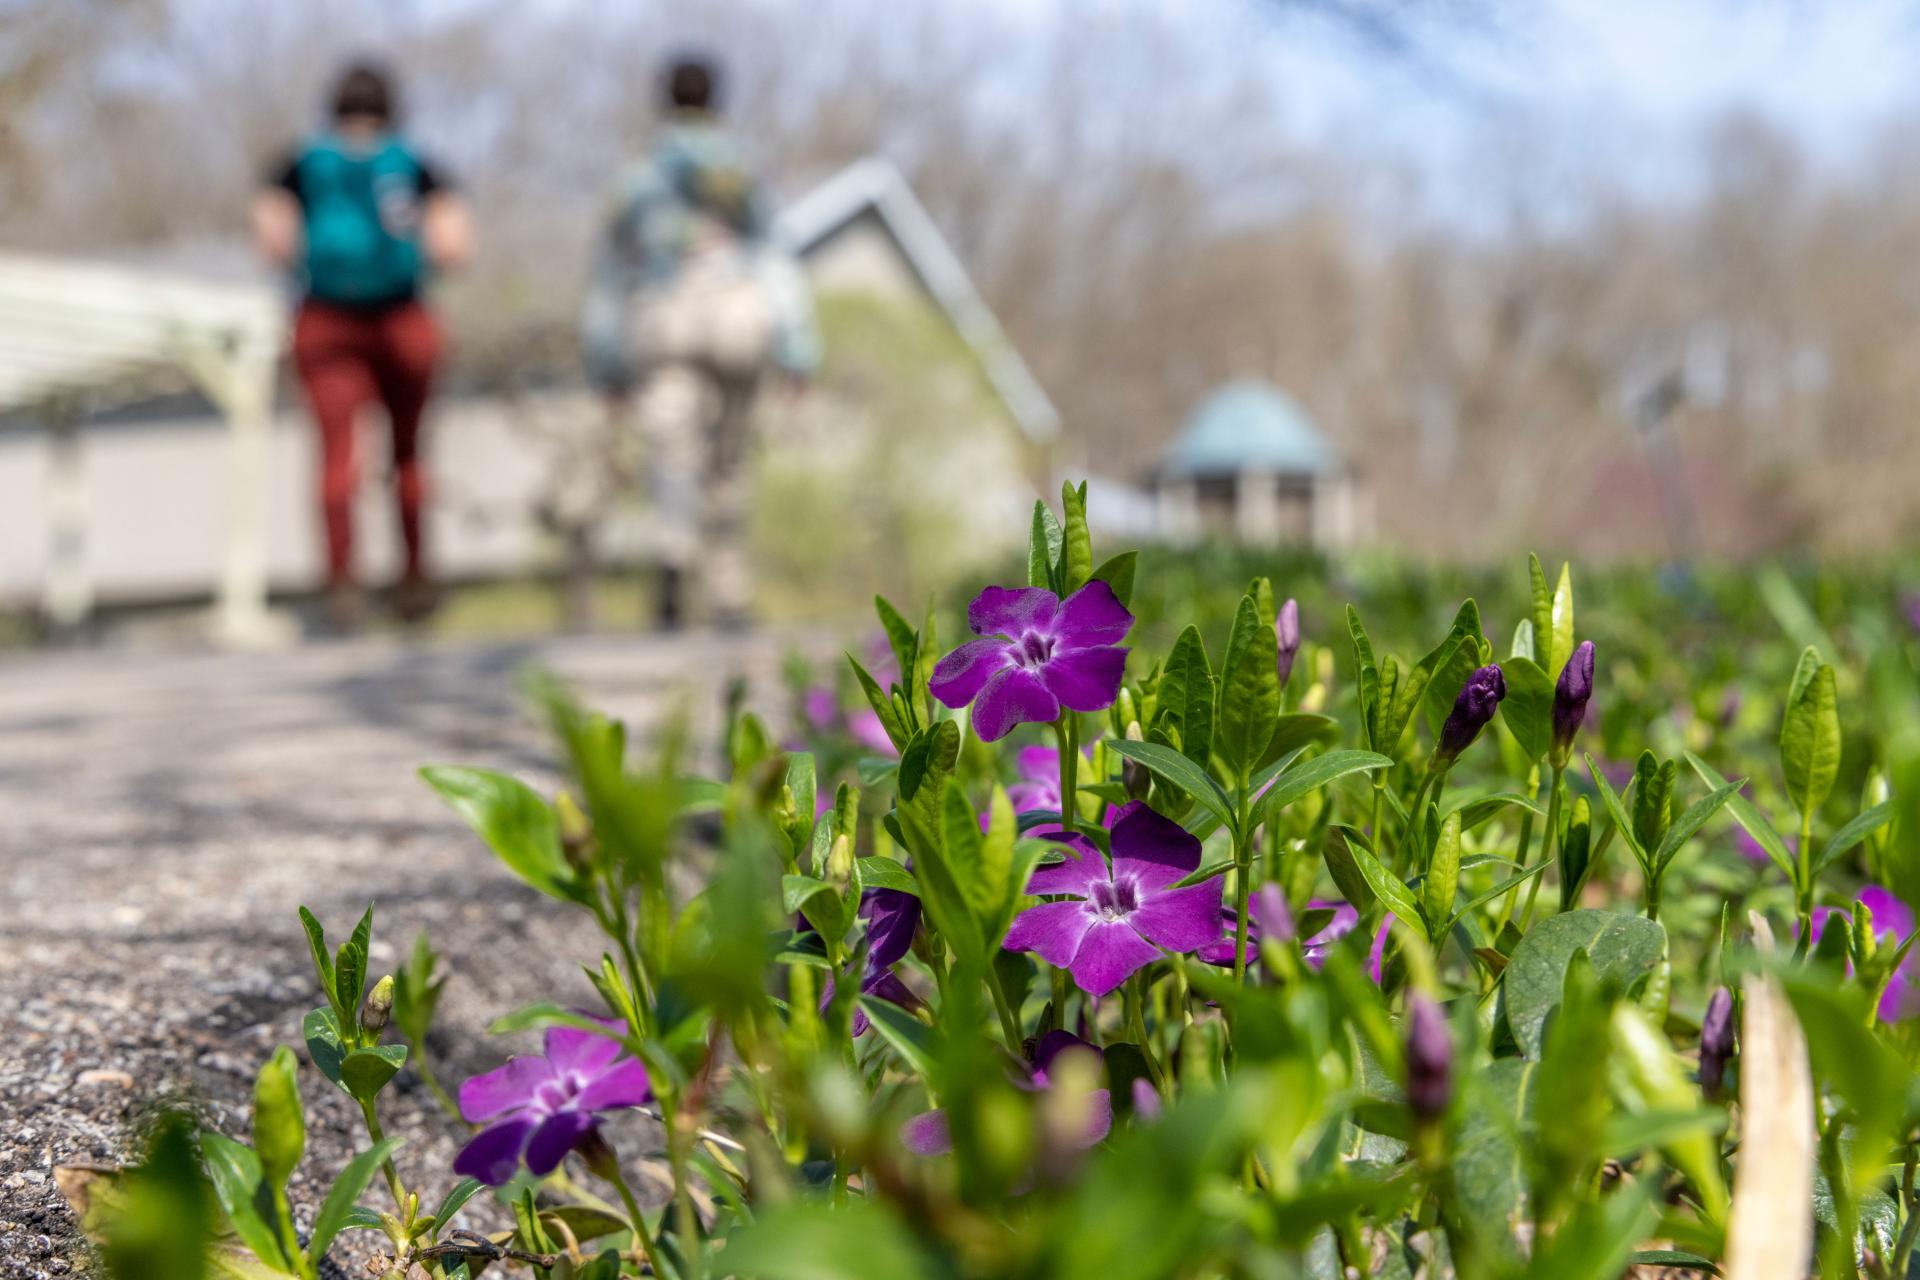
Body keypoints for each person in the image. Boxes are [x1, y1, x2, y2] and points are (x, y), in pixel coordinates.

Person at [580, 54, 819, 631]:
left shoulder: (638, 177)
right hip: (737, 313)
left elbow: (611, 271)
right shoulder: (742, 172)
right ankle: (728, 585)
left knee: (671, 451)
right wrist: (796, 344)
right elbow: (774, 257)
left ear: (665, 100)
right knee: (729, 456)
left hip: (664, 317)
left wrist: (606, 358)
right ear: (718, 100)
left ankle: (672, 558)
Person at [252, 62, 474, 630]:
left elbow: (273, 242)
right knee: (407, 453)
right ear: (391, 108)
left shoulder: (299, 165)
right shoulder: (418, 165)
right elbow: (453, 248)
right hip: (403, 319)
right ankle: (416, 580)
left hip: (325, 319)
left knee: (335, 456)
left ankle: (343, 585)